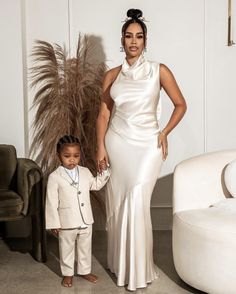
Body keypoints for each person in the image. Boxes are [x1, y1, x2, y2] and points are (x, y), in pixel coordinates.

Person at [96, 8, 187, 291]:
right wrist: (100, 147)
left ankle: (138, 271)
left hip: (148, 145)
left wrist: (164, 132)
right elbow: (103, 115)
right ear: (121, 41)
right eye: (128, 36)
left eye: (139, 36)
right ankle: (121, 265)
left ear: (146, 41)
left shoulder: (159, 70)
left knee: (137, 203)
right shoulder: (111, 75)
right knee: (120, 206)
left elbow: (181, 104)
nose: (133, 41)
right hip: (117, 143)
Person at [45, 135, 110, 287]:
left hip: (86, 220)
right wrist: (54, 223)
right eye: (67, 156)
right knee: (66, 249)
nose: (72, 160)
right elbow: (51, 202)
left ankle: (85, 270)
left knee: (85, 247)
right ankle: (67, 274)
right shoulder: (55, 177)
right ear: (58, 156)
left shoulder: (85, 171)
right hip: (66, 221)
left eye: (76, 156)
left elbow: (96, 185)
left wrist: (104, 171)